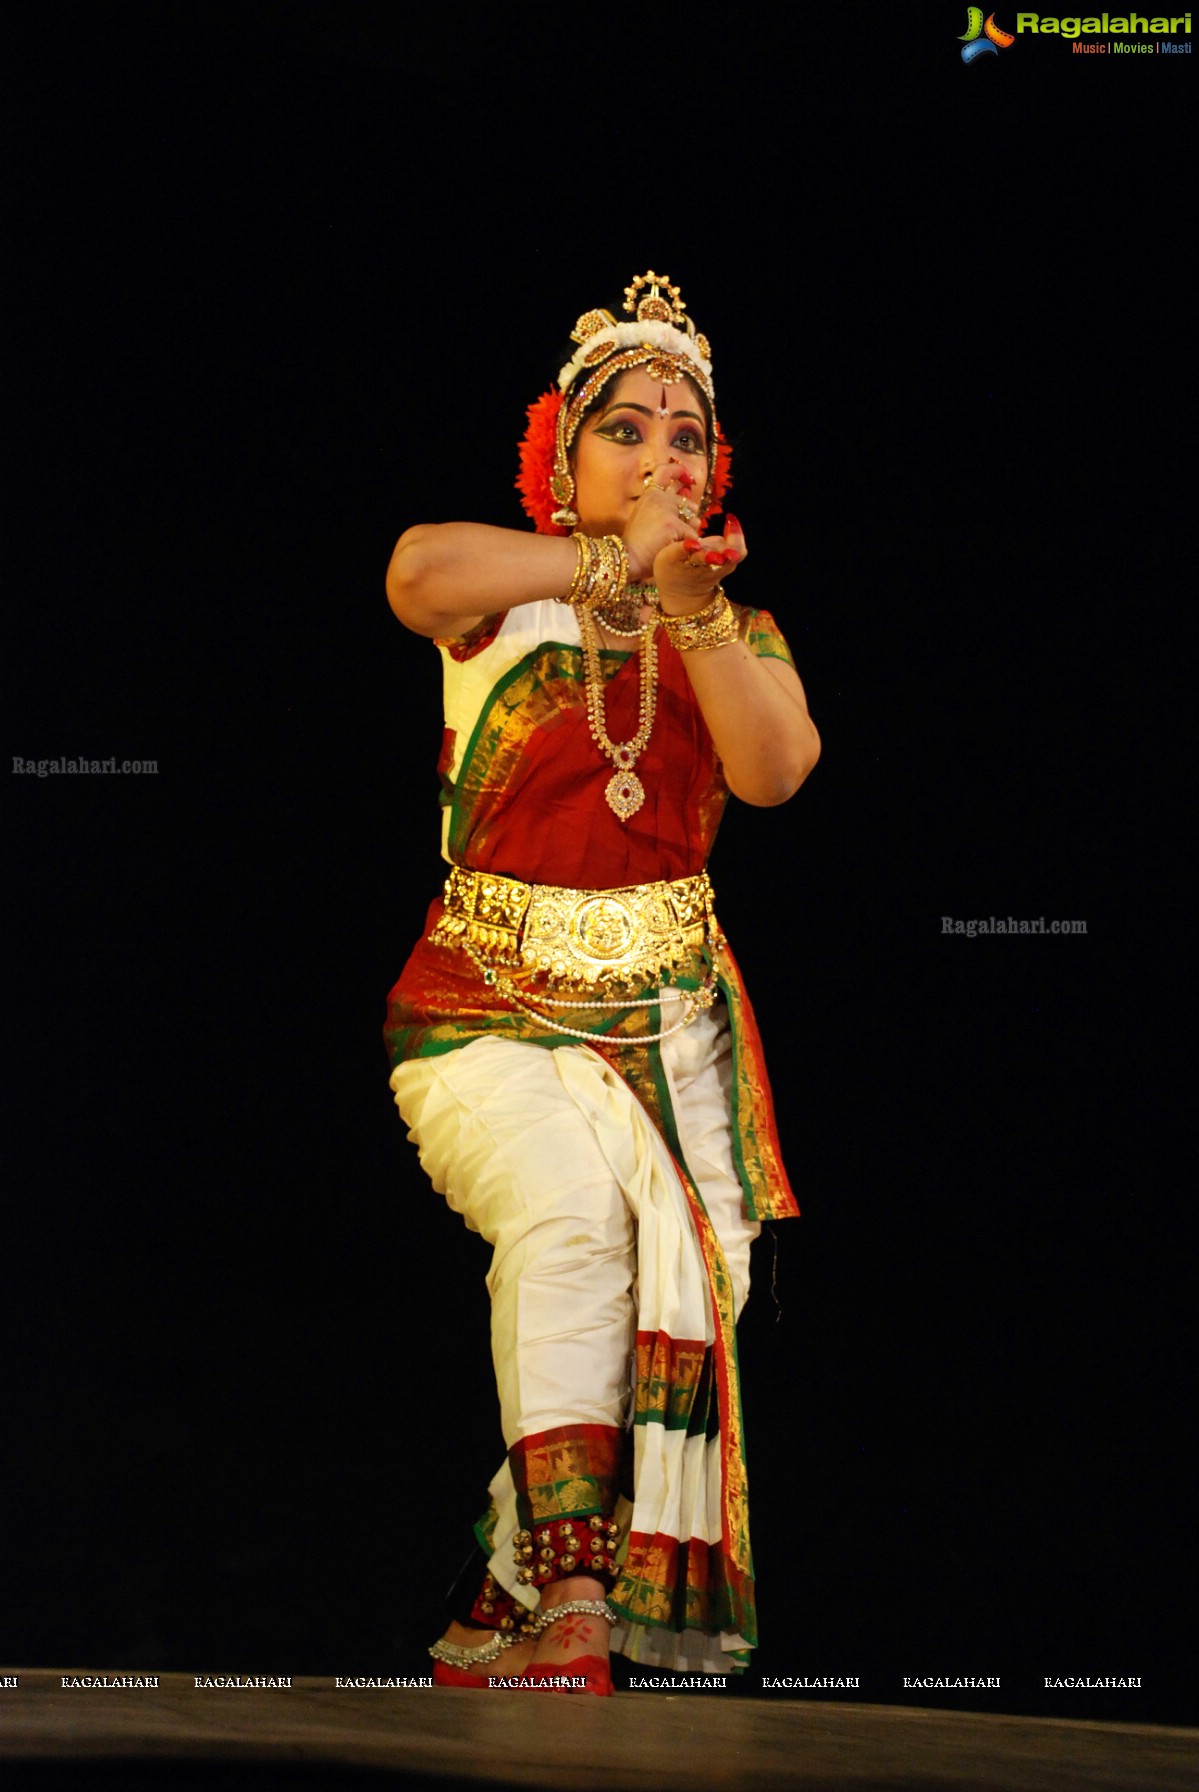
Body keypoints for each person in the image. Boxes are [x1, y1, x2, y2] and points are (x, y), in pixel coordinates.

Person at [383, 270, 820, 1694]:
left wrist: (686, 607)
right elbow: (413, 573)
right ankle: (575, 1598)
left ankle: (503, 1590)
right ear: (563, 464)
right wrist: (603, 567)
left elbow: (774, 772)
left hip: (670, 1023)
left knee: (702, 1282)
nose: (661, 458)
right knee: (568, 1225)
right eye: (625, 430)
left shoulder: (735, 635)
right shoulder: (505, 600)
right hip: (482, 1012)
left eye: (687, 437)